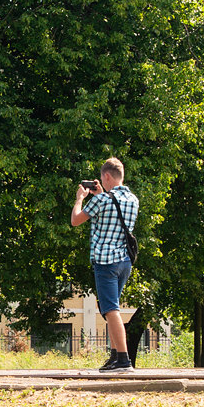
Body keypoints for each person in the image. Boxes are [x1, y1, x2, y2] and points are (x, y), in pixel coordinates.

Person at [70, 157, 140, 371]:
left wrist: (80, 198)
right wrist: (100, 194)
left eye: (102, 178)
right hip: (124, 262)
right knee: (111, 309)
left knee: (111, 310)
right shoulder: (133, 199)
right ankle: (115, 357)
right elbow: (114, 215)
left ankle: (124, 360)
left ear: (106, 176)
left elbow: (76, 220)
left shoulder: (101, 201)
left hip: (105, 262)